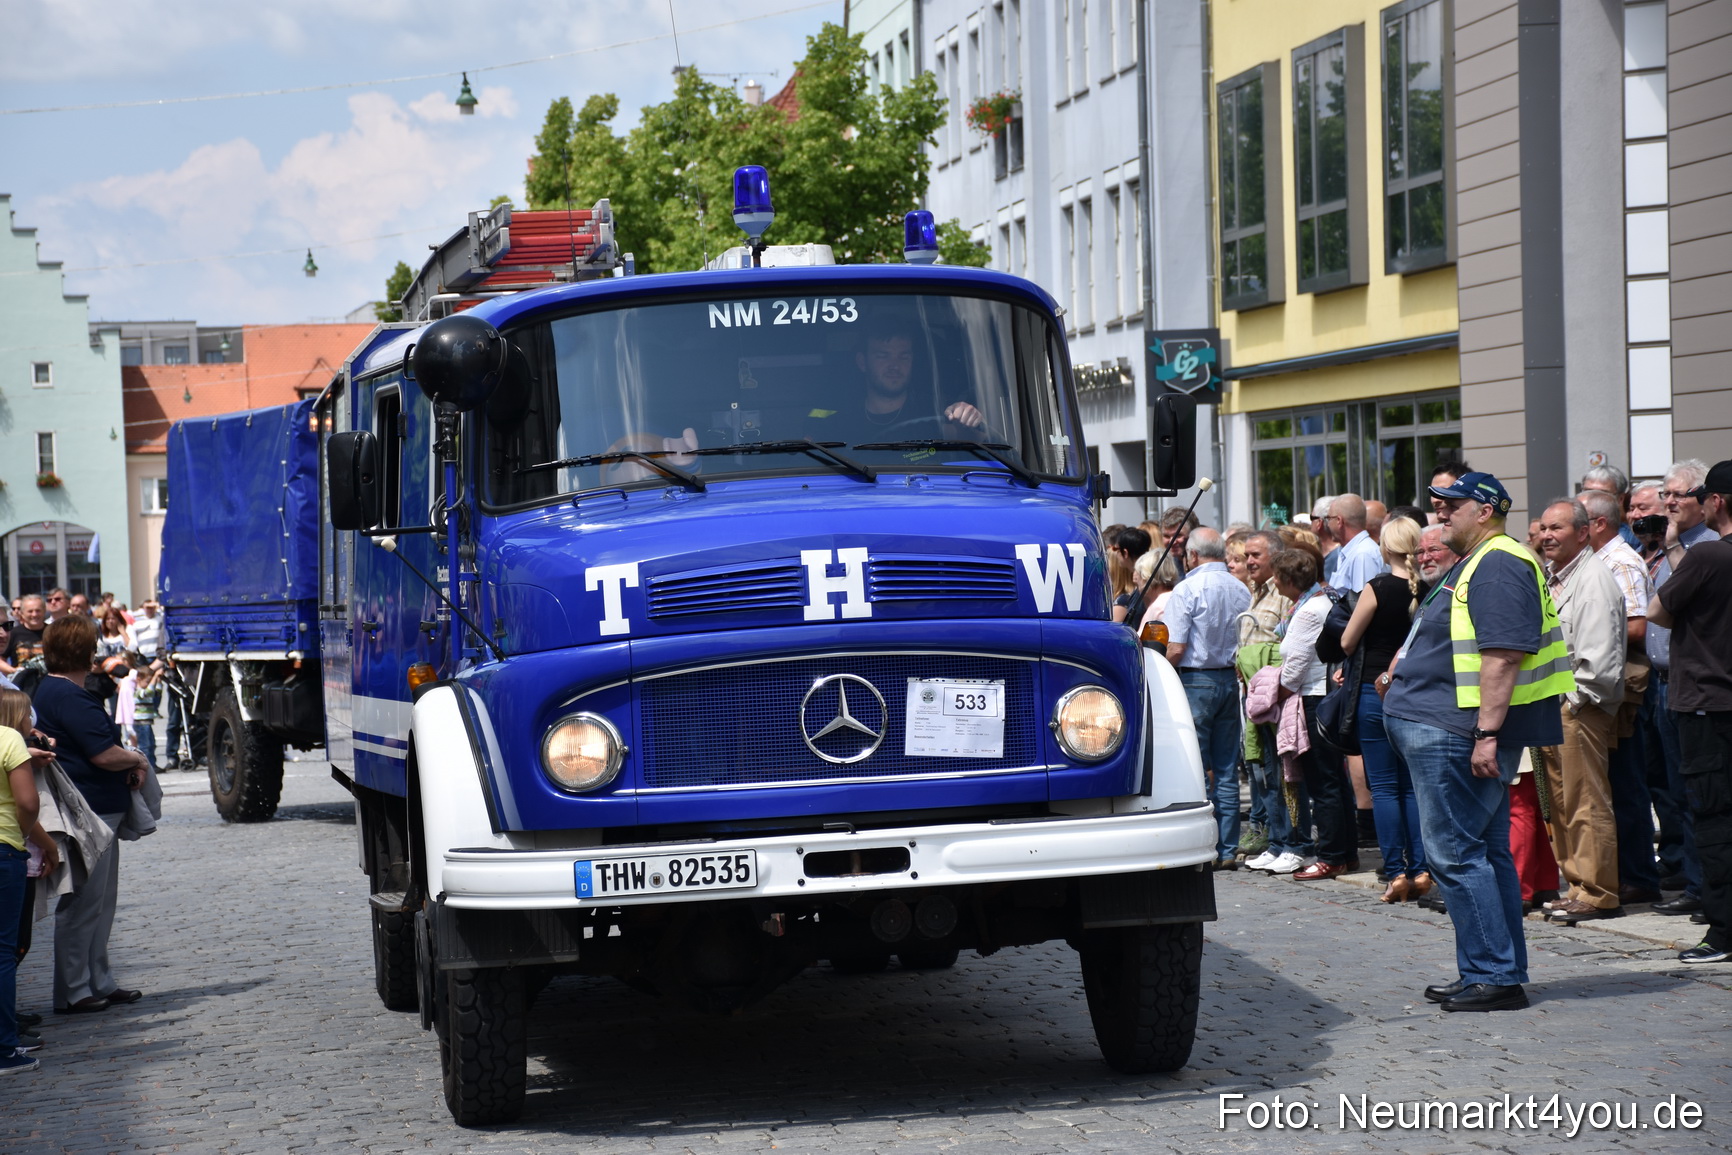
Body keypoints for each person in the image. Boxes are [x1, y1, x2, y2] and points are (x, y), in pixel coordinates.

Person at [1383, 471, 1569, 1012]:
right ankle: (1490, 969)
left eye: (1452, 505)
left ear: (1484, 511)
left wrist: (1487, 734)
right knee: (1482, 853)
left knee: (1458, 856)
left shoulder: (1499, 563)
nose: (1440, 513)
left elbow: (1503, 655)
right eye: (1438, 504)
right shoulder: (1480, 561)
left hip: (1458, 733)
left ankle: (1494, 974)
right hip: (1452, 729)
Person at [35, 615, 150, 1015]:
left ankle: (98, 980)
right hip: (90, 811)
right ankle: (74, 990)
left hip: (96, 808)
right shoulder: (69, 695)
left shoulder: (56, 690)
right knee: (85, 903)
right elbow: (103, 754)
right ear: (84, 652)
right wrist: (137, 759)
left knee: (99, 902)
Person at [1648, 458, 1732, 964]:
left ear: (1715, 502)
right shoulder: (1707, 556)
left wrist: (1676, 545)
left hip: (1706, 703)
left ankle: (1723, 934)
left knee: (1714, 821)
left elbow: (1658, 610)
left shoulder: (1710, 557)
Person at [1533, 499, 1628, 924]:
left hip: (1580, 707)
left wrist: (1574, 703)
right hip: (1556, 705)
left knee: (1586, 801)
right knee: (1563, 803)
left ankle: (1599, 893)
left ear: (1584, 532)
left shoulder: (1593, 579)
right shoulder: (1555, 576)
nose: (1547, 536)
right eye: (1544, 529)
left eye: (1557, 528)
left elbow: (1599, 661)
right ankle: (1576, 886)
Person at [1578, 488, 1662, 904]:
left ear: (1598, 524)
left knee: (1626, 783)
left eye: (1578, 519)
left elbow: (1638, 626)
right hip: (1609, 681)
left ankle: (1639, 876)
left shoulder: (1621, 562)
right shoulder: (1596, 560)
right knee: (1611, 782)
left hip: (1626, 684)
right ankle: (1623, 872)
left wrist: (1587, 632)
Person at [1340, 517, 1430, 902]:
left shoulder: (1376, 588)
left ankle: (1396, 872)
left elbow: (1347, 642)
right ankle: (1422, 868)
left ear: (1386, 548)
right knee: (1411, 786)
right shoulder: (1429, 588)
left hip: (1373, 690)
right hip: (1415, 692)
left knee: (1383, 788)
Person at [1161, 528, 1252, 868]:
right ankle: (1227, 849)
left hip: (1197, 681)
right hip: (1229, 678)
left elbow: (1176, 647)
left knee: (1195, 768)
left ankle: (1205, 847)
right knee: (1227, 769)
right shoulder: (1240, 587)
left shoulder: (1187, 589)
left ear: (1193, 555)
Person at [1274, 547, 1358, 880]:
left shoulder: (1310, 610)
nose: (1274, 583)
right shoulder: (1320, 601)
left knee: (1323, 782)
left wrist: (1270, 696)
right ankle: (1345, 852)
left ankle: (1332, 855)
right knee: (1334, 780)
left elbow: (1294, 667)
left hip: (1314, 698)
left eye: (1277, 577)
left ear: (1288, 579)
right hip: (1322, 695)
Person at [0, 688, 52, 1075]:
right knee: (3, 952)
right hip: (3, 848)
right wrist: (18, 834)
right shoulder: (7, 738)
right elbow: (29, 802)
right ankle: (4, 1047)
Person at [0, 596, 46, 677]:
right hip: (22, 682)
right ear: (22, 613)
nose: (34, 614)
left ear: (44, 611)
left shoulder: (52, 632)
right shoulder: (13, 633)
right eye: (30, 611)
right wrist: (14, 671)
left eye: (38, 611)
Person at [132, 661, 162, 773]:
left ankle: (152, 764)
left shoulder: (146, 689)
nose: (150, 684)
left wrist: (158, 680)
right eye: (147, 682)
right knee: (145, 745)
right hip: (140, 723)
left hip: (147, 723)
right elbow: (149, 692)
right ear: (139, 679)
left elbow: (157, 693)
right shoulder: (138, 691)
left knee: (151, 744)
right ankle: (146, 766)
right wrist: (154, 678)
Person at [1415, 524, 1461, 596]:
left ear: (1455, 553)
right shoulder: (1417, 594)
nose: (1425, 558)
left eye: (1433, 550)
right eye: (1420, 552)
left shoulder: (1465, 588)